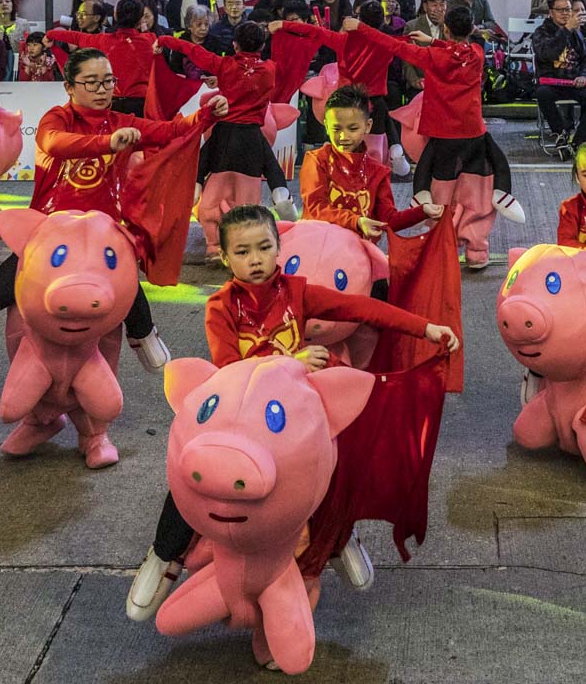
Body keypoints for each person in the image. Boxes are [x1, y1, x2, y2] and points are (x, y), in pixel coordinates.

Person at [125, 203, 459, 623]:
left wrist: (426, 328)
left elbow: (361, 309)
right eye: (243, 251)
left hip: (292, 426)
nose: (255, 259)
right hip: (241, 426)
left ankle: (339, 540)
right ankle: (163, 556)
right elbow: (232, 373)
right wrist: (293, 361)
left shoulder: (296, 291)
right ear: (225, 257)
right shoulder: (221, 307)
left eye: (264, 247)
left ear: (279, 247)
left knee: (337, 465)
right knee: (192, 480)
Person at [0, 47, 229, 377]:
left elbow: (170, 132)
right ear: (69, 87)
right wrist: (108, 143)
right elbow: (54, 143)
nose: (102, 89)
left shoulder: (123, 121)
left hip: (101, 232)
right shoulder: (57, 118)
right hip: (50, 230)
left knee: (127, 284)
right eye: (91, 82)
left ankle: (143, 334)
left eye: (107, 81)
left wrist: (207, 116)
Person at [346, 7, 521, 268]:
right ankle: (477, 251)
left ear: (446, 29)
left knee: (441, 195)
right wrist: (435, 41)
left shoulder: (432, 57)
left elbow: (392, 45)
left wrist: (360, 28)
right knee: (477, 192)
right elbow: (458, 50)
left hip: (443, 138)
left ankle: (443, 245)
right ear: (471, 28)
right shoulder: (477, 53)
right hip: (474, 134)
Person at [157, 21, 293, 256]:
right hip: (252, 139)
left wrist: (164, 41)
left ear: (234, 44)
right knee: (253, 193)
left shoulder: (224, 64)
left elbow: (192, 51)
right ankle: (279, 194)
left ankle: (208, 232)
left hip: (223, 135)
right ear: (262, 45)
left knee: (203, 168)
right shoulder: (270, 69)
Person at [274, 0, 410, 175]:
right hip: (374, 103)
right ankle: (395, 149)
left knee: (341, 141)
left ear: (359, 19)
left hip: (347, 102)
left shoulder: (343, 40)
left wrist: (283, 24)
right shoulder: (387, 43)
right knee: (375, 145)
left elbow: (314, 31)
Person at [300, 84, 439, 241]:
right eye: (336, 129)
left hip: (360, 256)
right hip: (320, 250)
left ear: (368, 126)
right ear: (326, 126)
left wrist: (422, 211)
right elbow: (315, 208)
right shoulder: (316, 161)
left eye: (352, 129)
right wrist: (356, 221)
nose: (343, 136)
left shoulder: (378, 171)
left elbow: (388, 219)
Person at [45, 0, 155, 116]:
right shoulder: (150, 39)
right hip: (143, 106)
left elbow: (76, 37)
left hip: (111, 105)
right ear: (140, 20)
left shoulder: (102, 40)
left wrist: (50, 34)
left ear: (115, 16)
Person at [533, 0, 586, 154]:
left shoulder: (578, 32)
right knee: (542, 94)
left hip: (574, 82)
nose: (566, 13)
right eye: (561, 10)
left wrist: (584, 75)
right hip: (551, 82)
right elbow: (547, 54)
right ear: (551, 12)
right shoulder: (541, 32)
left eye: (568, 9)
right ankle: (561, 133)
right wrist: (565, 31)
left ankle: (578, 140)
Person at [401, 0, 446, 96]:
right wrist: (414, 81)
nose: (439, 9)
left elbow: (455, 48)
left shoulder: (451, 26)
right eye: (434, 5)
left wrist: (444, 25)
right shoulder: (412, 26)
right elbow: (407, 59)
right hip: (422, 82)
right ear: (425, 7)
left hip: (446, 82)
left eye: (442, 4)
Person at [165, 3, 228, 80]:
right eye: (199, 24)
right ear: (189, 26)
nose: (203, 28)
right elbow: (175, 68)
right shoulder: (181, 43)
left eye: (206, 24)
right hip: (186, 84)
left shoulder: (216, 42)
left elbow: (219, 67)